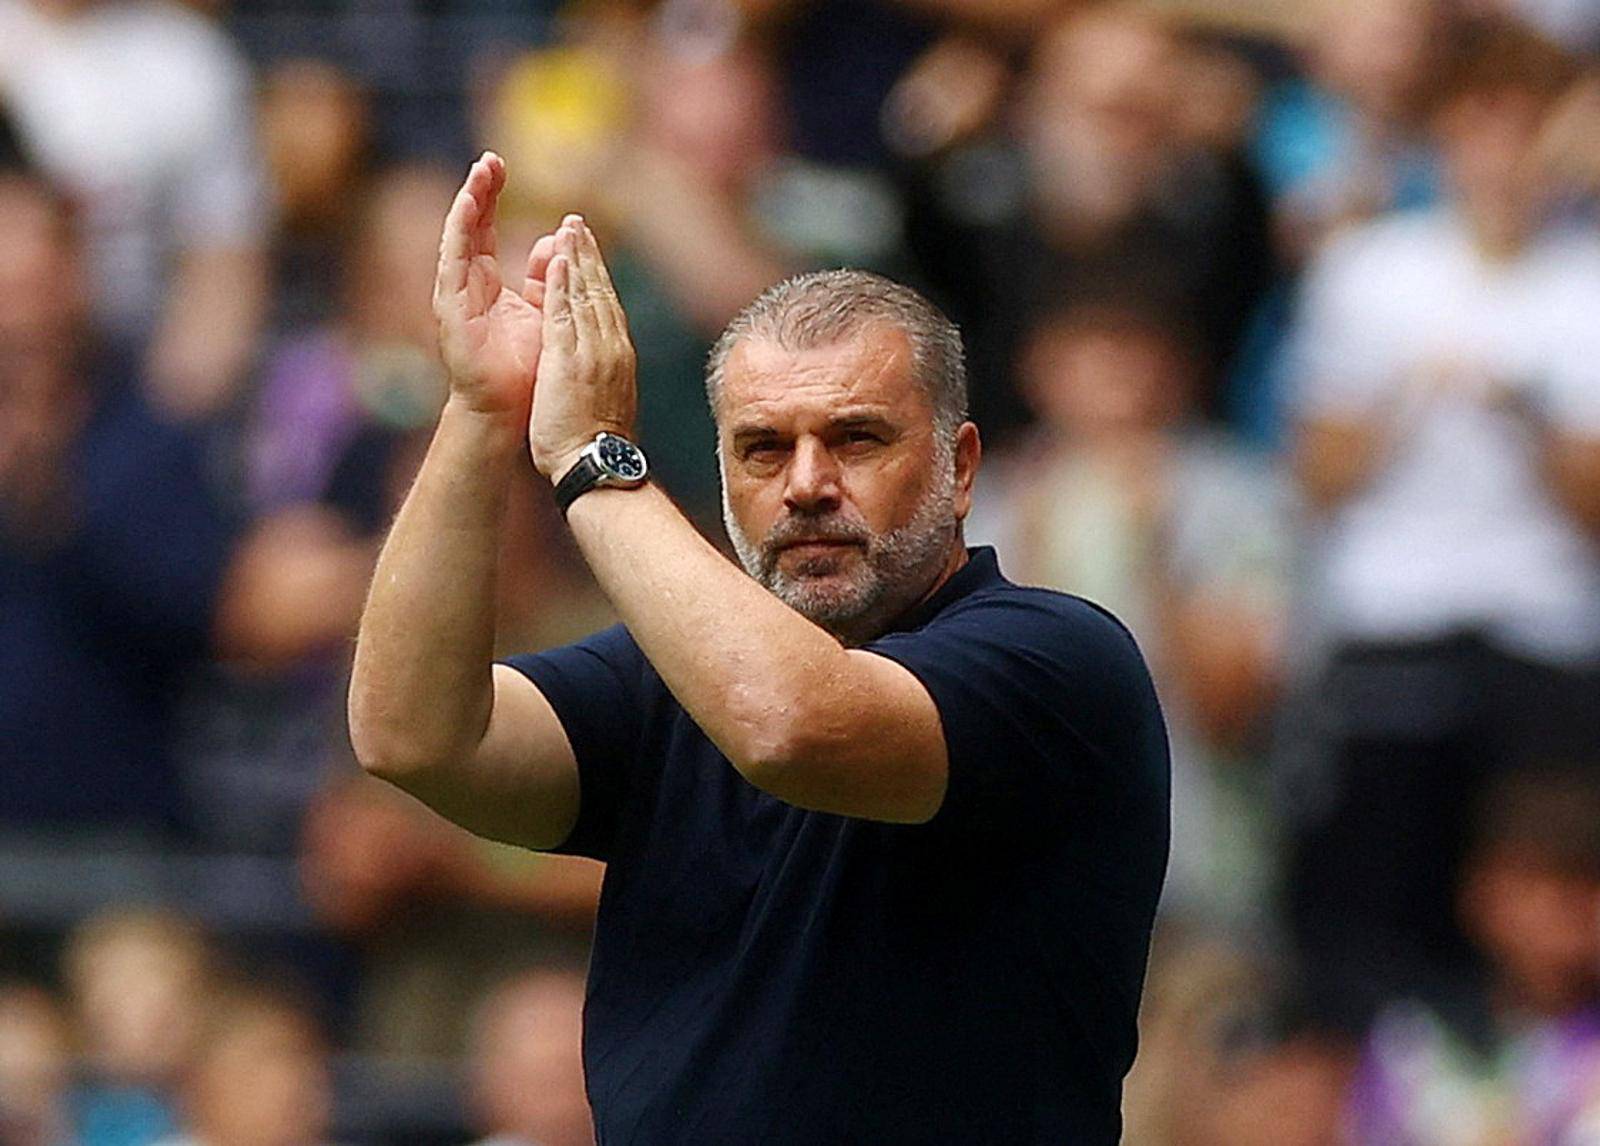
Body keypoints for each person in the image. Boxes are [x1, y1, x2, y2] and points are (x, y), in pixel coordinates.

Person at [347, 152, 1170, 1142]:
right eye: (763, 447)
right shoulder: (666, 679)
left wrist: (592, 459)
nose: (807, 483)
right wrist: (481, 414)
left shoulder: (1057, 661)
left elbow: (792, 725)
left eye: (857, 439)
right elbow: (412, 735)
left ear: (958, 470)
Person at [1281, 15, 1600, 1034]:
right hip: (1393, 615)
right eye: (1480, 124)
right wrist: (1404, 401)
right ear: (1446, 135)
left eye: (1526, 126)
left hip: (1545, 625)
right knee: (1376, 902)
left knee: (1546, 893)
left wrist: (1519, 413)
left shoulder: (1589, 282)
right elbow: (1319, 478)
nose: (1501, 153)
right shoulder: (1366, 271)